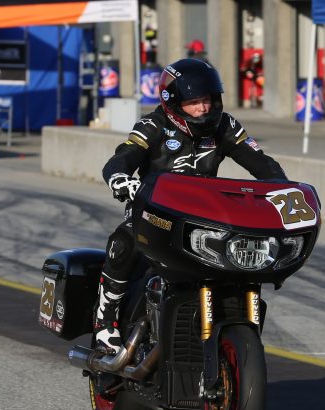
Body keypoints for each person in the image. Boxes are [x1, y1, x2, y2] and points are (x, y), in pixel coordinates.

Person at [93, 58, 287, 352]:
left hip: (204, 217)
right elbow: (122, 158)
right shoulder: (152, 125)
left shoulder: (225, 126)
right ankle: (104, 323)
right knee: (123, 242)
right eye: (194, 102)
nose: (203, 108)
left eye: (207, 100)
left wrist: (280, 189)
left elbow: (261, 163)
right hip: (154, 215)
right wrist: (120, 179)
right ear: (173, 103)